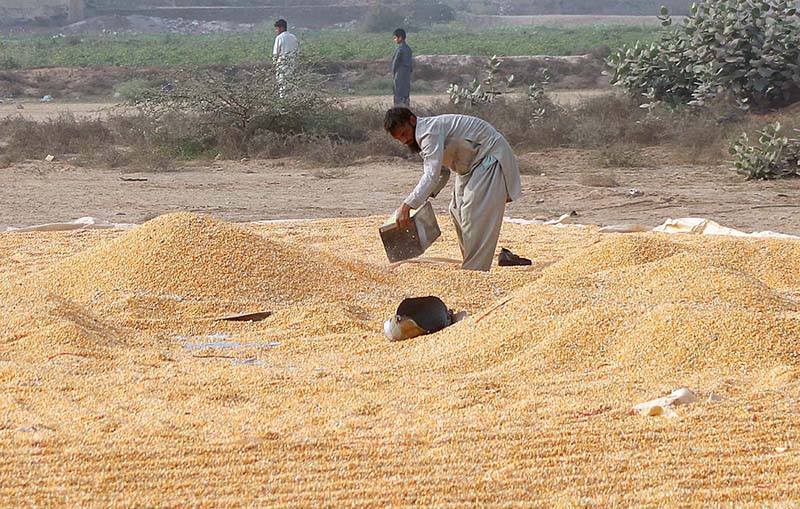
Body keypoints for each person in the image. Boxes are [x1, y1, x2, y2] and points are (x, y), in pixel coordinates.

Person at [383, 107, 521, 271]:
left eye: (405, 134)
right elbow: (442, 172)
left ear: (412, 121)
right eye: (399, 139)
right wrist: (423, 200)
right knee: (456, 210)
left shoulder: (428, 133)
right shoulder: (422, 137)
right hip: (469, 167)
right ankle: (471, 263)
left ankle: (475, 272)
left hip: (488, 156)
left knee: (473, 212)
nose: (404, 141)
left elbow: (431, 175)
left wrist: (407, 205)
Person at [272, 19, 299, 93]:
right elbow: (297, 52)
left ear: (281, 28)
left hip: (282, 66)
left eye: (277, 29)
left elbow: (275, 54)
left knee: (282, 85)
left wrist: (274, 64)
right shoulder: (294, 37)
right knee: (291, 85)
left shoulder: (279, 38)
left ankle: (283, 101)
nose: (276, 31)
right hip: (292, 65)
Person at [390, 28, 412, 107]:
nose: (394, 40)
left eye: (395, 37)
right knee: (406, 94)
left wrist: (393, 72)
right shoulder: (408, 48)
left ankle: (398, 109)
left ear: (400, 38)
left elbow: (395, 62)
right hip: (407, 74)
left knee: (398, 93)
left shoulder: (399, 49)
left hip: (399, 73)